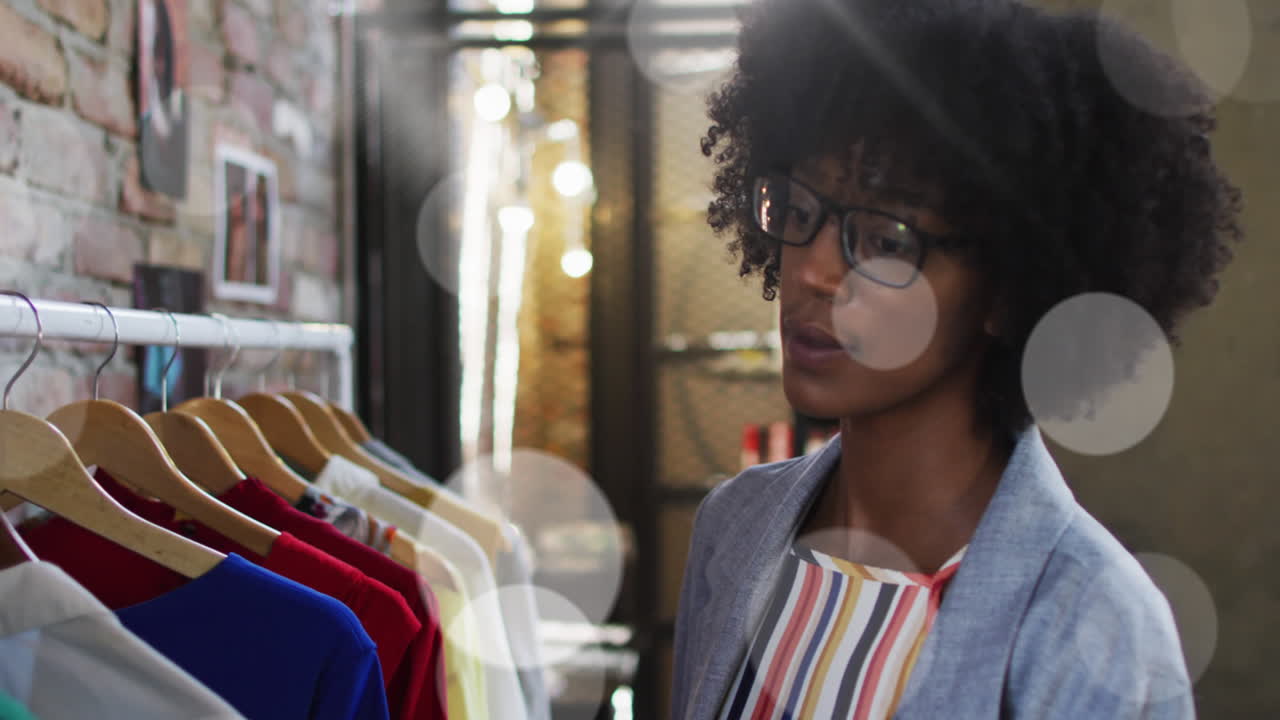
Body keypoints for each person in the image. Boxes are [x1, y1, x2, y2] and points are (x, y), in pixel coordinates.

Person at [671, 1, 1243, 718]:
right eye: (798, 210)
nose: (813, 270)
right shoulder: (735, 528)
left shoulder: (1094, 623)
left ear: (1007, 288)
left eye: (885, 240)